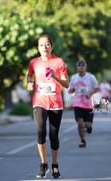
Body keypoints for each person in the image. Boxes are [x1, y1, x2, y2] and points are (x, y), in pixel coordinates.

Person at [27, 34, 69, 179]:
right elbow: (29, 75)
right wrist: (29, 82)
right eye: (41, 45)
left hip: (56, 103)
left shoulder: (59, 62)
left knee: (53, 136)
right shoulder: (34, 62)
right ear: (38, 48)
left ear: (51, 46)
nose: (44, 47)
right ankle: (43, 164)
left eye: (47, 44)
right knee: (40, 131)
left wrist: (55, 77)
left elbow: (67, 84)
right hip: (39, 101)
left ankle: (55, 164)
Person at [68, 60, 99, 148]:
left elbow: (97, 88)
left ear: (86, 67)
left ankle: (89, 127)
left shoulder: (91, 77)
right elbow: (72, 89)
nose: (81, 67)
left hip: (88, 104)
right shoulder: (74, 77)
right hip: (77, 103)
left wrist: (90, 94)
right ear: (77, 67)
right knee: (80, 123)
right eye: (79, 65)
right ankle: (82, 140)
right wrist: (70, 90)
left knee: (88, 125)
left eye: (83, 65)